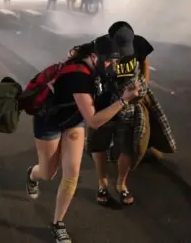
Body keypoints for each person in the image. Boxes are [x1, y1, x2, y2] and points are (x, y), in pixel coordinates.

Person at [25, 42, 141, 243]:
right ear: (96, 57)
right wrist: (123, 101)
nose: (111, 66)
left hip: (74, 119)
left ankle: (58, 224)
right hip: (49, 122)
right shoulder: (78, 77)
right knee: (48, 173)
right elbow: (95, 121)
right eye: (109, 62)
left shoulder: (95, 67)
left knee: (72, 174)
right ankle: (32, 175)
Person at [86, 22, 154, 206]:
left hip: (129, 102)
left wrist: (145, 84)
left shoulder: (138, 43)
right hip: (104, 104)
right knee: (99, 144)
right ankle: (102, 183)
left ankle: (121, 184)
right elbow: (85, 64)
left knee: (128, 146)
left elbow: (145, 62)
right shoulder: (100, 45)